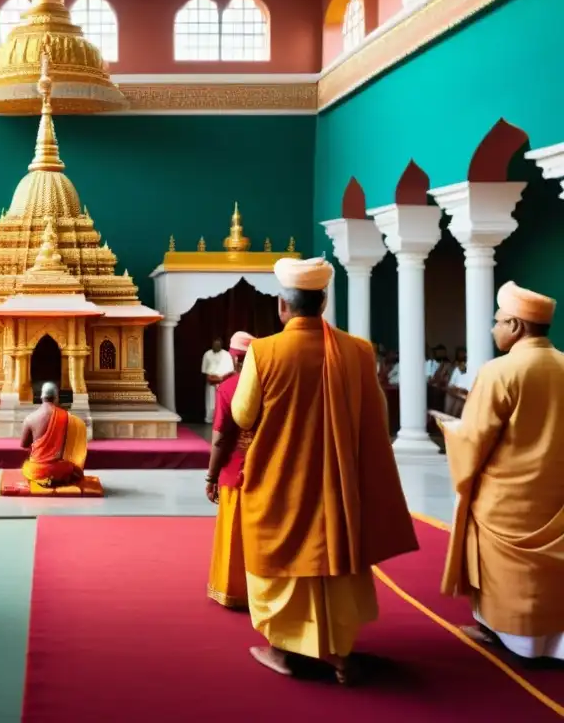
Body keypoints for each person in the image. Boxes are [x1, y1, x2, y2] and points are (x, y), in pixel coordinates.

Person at [231, 257, 418, 683]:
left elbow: (243, 415)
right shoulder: (358, 350)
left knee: (283, 560)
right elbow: (376, 415)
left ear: (283, 306)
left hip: (283, 478)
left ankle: (282, 649)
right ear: (324, 302)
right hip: (339, 481)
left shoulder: (264, 351)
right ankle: (337, 651)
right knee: (333, 553)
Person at [438, 281, 563, 660]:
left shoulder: (500, 371)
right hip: (557, 496)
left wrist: (449, 430)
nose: (493, 329)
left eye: (497, 321)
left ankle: (517, 642)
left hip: (507, 500)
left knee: (510, 576)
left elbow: (474, 439)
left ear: (516, 326)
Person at [205, 331, 255, 610]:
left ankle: (234, 590)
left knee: (235, 533)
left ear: (234, 358)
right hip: (269, 471)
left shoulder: (229, 388)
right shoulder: (274, 385)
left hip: (235, 471)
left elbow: (221, 439)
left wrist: (211, 477)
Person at [20, 382, 88, 488]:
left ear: (41, 396)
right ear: (56, 397)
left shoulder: (30, 419)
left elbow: (24, 445)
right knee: (70, 468)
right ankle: (57, 478)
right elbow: (73, 439)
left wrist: (39, 452)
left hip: (37, 470)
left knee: (26, 467)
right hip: (59, 470)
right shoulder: (65, 417)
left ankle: (42, 477)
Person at [202, 337, 234, 424]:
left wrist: (221, 379)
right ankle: (210, 420)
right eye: (214, 344)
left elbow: (231, 372)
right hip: (211, 383)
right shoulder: (207, 354)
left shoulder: (227, 355)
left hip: (224, 383)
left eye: (218, 344)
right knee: (211, 404)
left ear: (221, 345)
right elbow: (206, 373)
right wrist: (214, 379)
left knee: (223, 404)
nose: (216, 346)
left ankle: (222, 421)